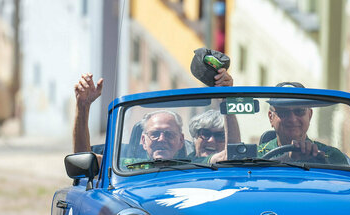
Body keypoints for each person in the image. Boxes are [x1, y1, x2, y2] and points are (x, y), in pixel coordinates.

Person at [73, 68, 235, 164]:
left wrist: (227, 97)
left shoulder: (195, 164)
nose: (161, 139)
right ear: (143, 140)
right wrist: (83, 106)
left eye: (169, 134)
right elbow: (82, 159)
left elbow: (229, 155)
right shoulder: (124, 167)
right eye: (154, 134)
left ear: (181, 141)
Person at [257, 81, 349, 165]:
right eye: (283, 112)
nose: (292, 119)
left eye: (299, 111)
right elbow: (252, 173)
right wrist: (289, 158)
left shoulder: (332, 156)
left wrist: (321, 162)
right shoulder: (256, 155)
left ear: (310, 115)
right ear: (270, 117)